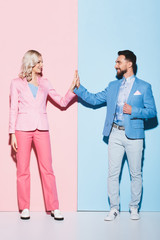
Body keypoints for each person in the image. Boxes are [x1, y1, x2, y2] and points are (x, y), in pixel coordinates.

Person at [72, 50, 157, 221]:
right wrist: (79, 88)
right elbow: (95, 99)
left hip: (135, 136)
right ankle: (114, 208)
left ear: (129, 64)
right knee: (112, 173)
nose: (115, 65)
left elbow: (152, 112)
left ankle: (134, 208)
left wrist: (134, 110)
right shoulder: (112, 86)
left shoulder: (144, 86)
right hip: (115, 133)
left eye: (119, 62)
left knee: (136, 174)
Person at [9, 50, 76, 220]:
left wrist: (72, 88)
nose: (41, 65)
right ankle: (24, 208)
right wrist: (12, 134)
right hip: (22, 129)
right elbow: (13, 110)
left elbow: (61, 101)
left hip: (42, 129)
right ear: (30, 63)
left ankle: (54, 207)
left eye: (42, 62)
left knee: (47, 169)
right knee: (22, 170)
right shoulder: (16, 83)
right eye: (38, 62)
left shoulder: (45, 83)